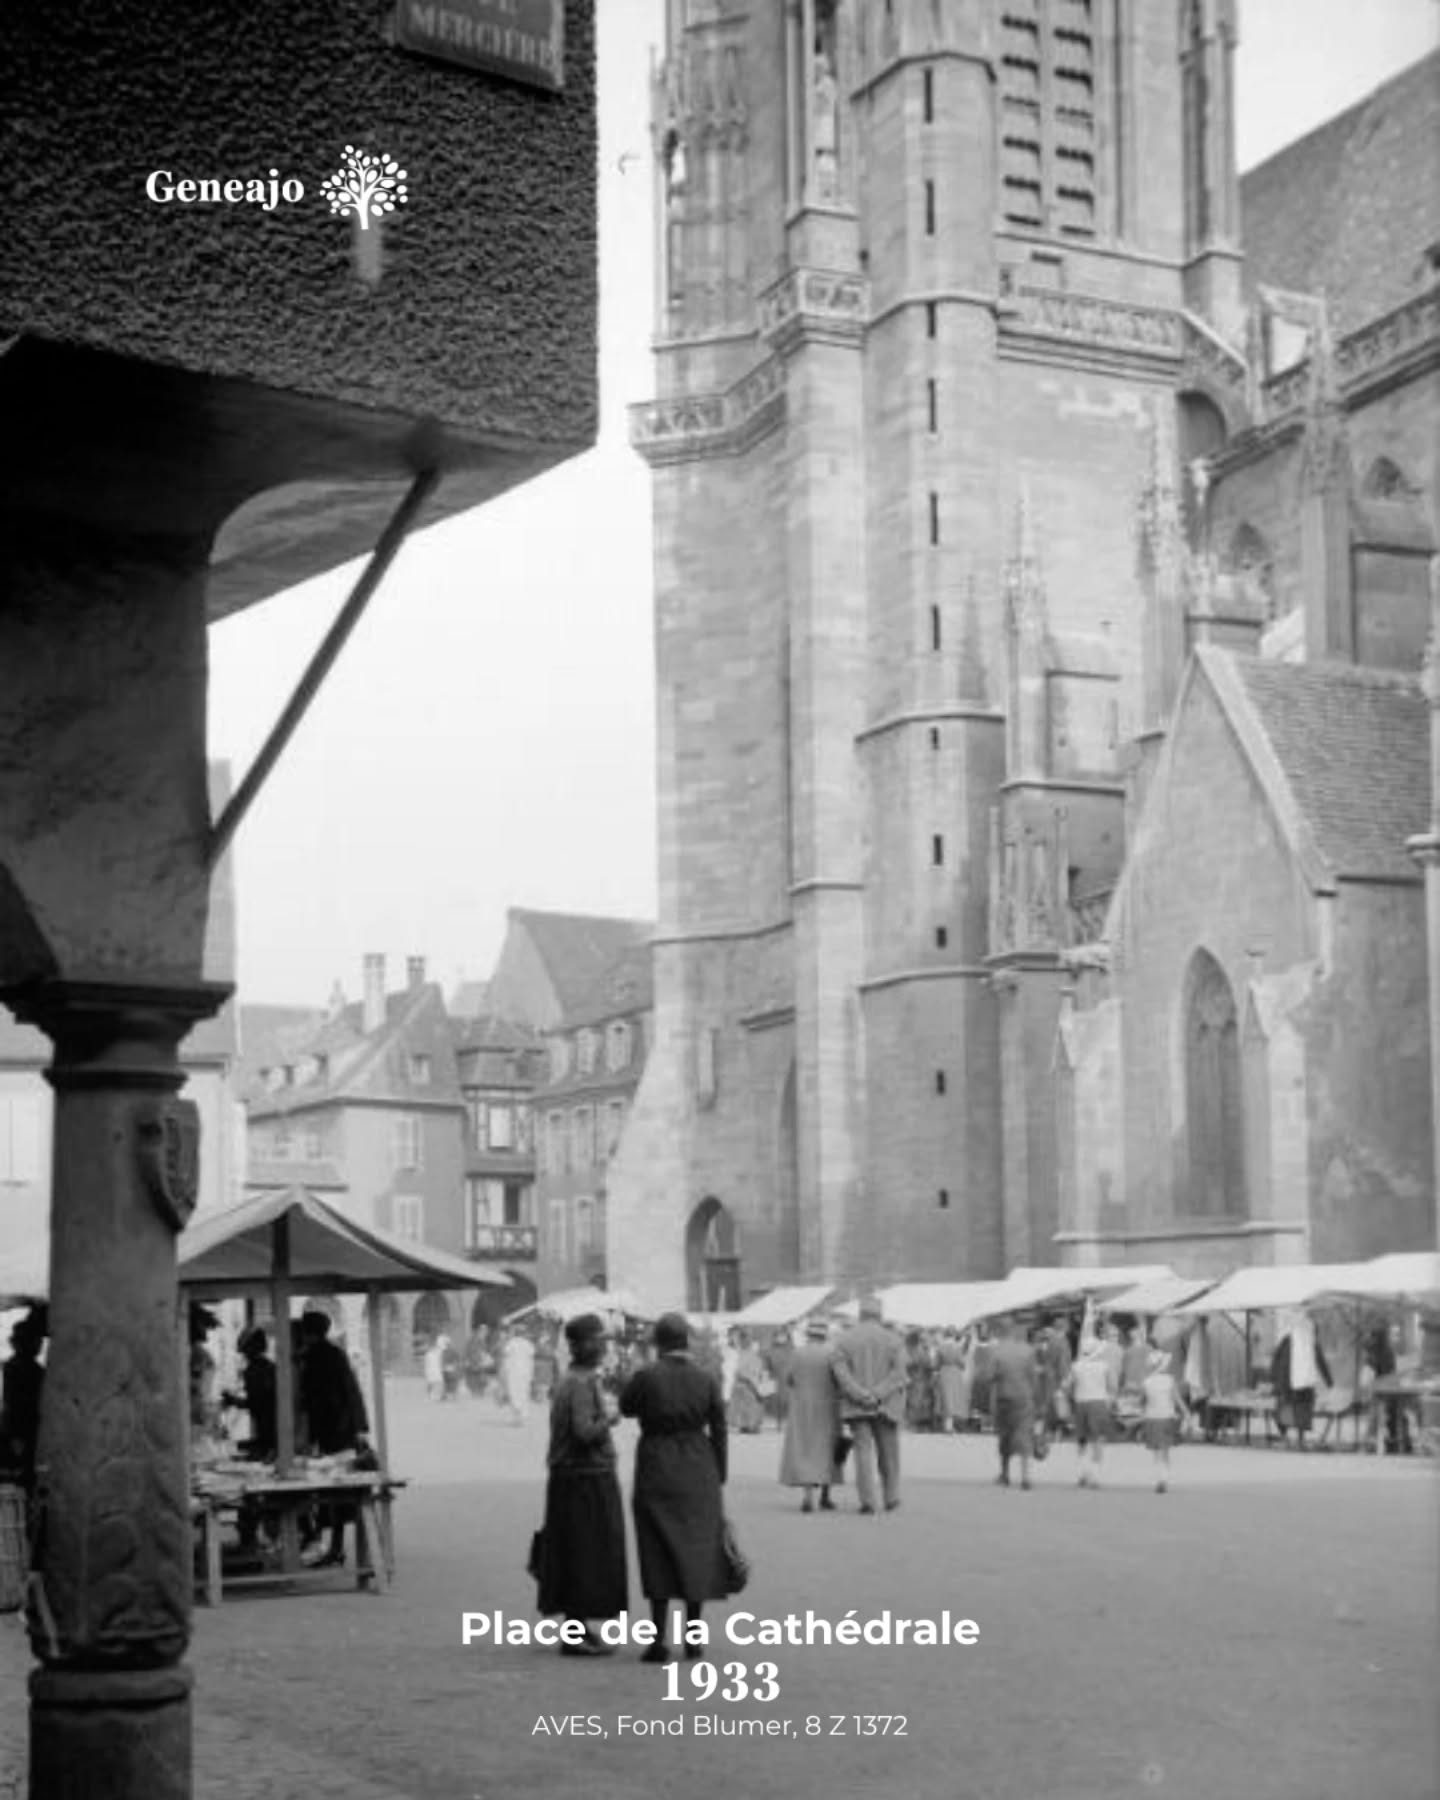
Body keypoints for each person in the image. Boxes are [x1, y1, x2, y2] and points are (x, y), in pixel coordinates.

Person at [619, 1312, 728, 1664]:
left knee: (656, 1549)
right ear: (687, 1341)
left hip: (657, 1461)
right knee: (695, 1549)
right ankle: (693, 1640)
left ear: (658, 1343)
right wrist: (719, 1471)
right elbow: (720, 1427)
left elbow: (626, 1407)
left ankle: (657, 1641)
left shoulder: (647, 1376)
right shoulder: (706, 1378)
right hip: (698, 1463)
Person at [537, 1314, 628, 1656]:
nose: (603, 1346)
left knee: (579, 1554)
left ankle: (579, 1629)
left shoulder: (573, 1379)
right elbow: (584, 1431)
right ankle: (575, 1635)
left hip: (573, 1477)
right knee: (586, 1555)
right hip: (584, 1477)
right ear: (578, 1345)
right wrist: (611, 1418)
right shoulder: (578, 1383)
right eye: (597, 1340)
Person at [299, 1310, 371, 1567]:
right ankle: (333, 1545)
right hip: (342, 1431)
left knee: (335, 1490)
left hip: (335, 1433)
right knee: (335, 1492)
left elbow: (318, 1398)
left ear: (308, 1332)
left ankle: (333, 1547)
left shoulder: (318, 1356)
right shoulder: (334, 1353)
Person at [829, 1295, 907, 1515]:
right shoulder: (894, 1340)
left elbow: (840, 1372)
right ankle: (891, 1496)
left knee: (863, 1452)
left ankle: (868, 1500)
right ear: (880, 1315)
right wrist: (878, 1394)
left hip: (856, 1405)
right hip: (886, 1404)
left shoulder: (844, 1339)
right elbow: (899, 1374)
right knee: (889, 1452)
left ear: (860, 1315)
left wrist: (860, 1394)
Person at [779, 1316, 844, 1513]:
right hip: (827, 1406)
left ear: (808, 1334)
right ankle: (826, 1495)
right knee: (827, 1447)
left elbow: (788, 1378)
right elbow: (840, 1380)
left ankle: (808, 1496)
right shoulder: (832, 1353)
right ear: (825, 1335)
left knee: (805, 1449)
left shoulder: (797, 1353)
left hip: (802, 1408)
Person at [0, 1307, 47, 1494]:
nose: (40, 1345)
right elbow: (14, 1405)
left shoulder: (14, 1367)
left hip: (21, 1427)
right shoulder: (25, 1370)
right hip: (23, 1427)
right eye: (37, 1341)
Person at [989, 1316, 1039, 1490]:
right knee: (1024, 1435)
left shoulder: (997, 1351)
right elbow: (1034, 1378)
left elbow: (990, 1376)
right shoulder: (1028, 1351)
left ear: (1001, 1331)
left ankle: (1005, 1474)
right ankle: (1025, 1477)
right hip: (1024, 1398)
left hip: (1004, 1396)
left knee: (1005, 1435)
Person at [222, 1326, 278, 1461]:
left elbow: (257, 1403)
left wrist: (233, 1400)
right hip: (269, 1430)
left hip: (269, 1431)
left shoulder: (255, 1371)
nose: (244, 1355)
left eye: (245, 1351)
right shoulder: (270, 1367)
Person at [1069, 1331, 1116, 1489]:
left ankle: (1082, 1473)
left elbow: (1068, 1385)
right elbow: (1112, 1387)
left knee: (1081, 1440)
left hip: (1081, 1402)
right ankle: (1095, 1476)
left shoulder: (1076, 1366)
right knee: (1097, 1440)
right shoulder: (1103, 1366)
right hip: (1098, 1402)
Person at [1141, 1347, 1187, 1493]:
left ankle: (1158, 1477)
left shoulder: (1146, 1382)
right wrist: (1187, 1412)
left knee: (1155, 1450)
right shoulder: (1169, 1380)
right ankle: (1164, 1478)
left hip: (1152, 1418)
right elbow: (1177, 1399)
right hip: (1167, 1416)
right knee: (1165, 1450)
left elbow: (1143, 1401)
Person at [729, 1332, 768, 1434]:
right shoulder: (740, 1353)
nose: (743, 1343)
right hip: (743, 1383)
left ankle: (751, 1425)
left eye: (744, 1340)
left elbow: (756, 1371)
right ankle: (745, 1425)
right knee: (744, 1405)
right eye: (742, 1340)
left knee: (751, 1404)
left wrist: (749, 1379)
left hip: (749, 1384)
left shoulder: (752, 1355)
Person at [936, 1330, 968, 1433]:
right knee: (954, 1399)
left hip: (944, 1372)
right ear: (953, 1335)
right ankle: (951, 1425)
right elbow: (962, 1363)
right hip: (955, 1373)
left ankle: (946, 1425)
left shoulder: (940, 1347)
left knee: (945, 1398)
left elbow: (936, 1363)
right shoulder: (957, 1347)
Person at [503, 1329, 536, 1426]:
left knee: (515, 1392)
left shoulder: (511, 1343)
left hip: (514, 1372)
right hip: (524, 1372)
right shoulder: (528, 1344)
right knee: (523, 1393)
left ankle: (516, 1416)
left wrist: (506, 1369)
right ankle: (521, 1416)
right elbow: (531, 1357)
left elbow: (506, 1355)